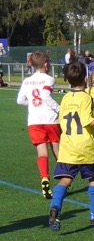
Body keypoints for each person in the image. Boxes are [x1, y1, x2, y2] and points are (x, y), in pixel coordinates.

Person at [47, 61, 94, 232]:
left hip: (68, 147)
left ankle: (55, 206)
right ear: (85, 79)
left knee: (65, 180)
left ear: (68, 80)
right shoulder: (86, 97)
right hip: (85, 146)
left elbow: (61, 120)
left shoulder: (66, 98)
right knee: (93, 179)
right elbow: (87, 120)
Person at [16, 51, 62, 199]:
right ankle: (64, 180)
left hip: (34, 121)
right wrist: (59, 109)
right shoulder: (49, 79)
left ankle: (44, 178)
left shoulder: (27, 81)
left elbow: (20, 100)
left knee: (42, 153)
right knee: (57, 150)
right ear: (46, 64)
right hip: (50, 119)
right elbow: (45, 96)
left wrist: (33, 104)